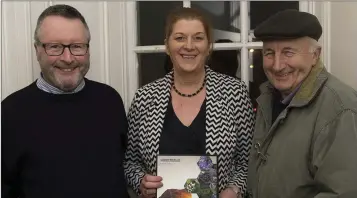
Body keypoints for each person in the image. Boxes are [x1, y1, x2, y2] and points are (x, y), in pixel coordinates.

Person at [124, 7, 255, 198]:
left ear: (208, 46)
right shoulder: (145, 97)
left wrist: (234, 190)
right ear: (167, 46)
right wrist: (141, 182)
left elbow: (248, 161)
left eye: (198, 38)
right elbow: (130, 162)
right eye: (179, 38)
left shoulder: (234, 93)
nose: (189, 45)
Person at [1, 4, 129, 198]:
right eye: (55, 47)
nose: (68, 58)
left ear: (88, 49)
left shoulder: (110, 100)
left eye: (77, 46)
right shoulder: (10, 112)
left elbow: (123, 169)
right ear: (37, 50)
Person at [247, 9, 357, 198]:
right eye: (269, 53)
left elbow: (343, 193)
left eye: (288, 52)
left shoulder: (340, 108)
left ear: (315, 55)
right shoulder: (268, 96)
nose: (277, 65)